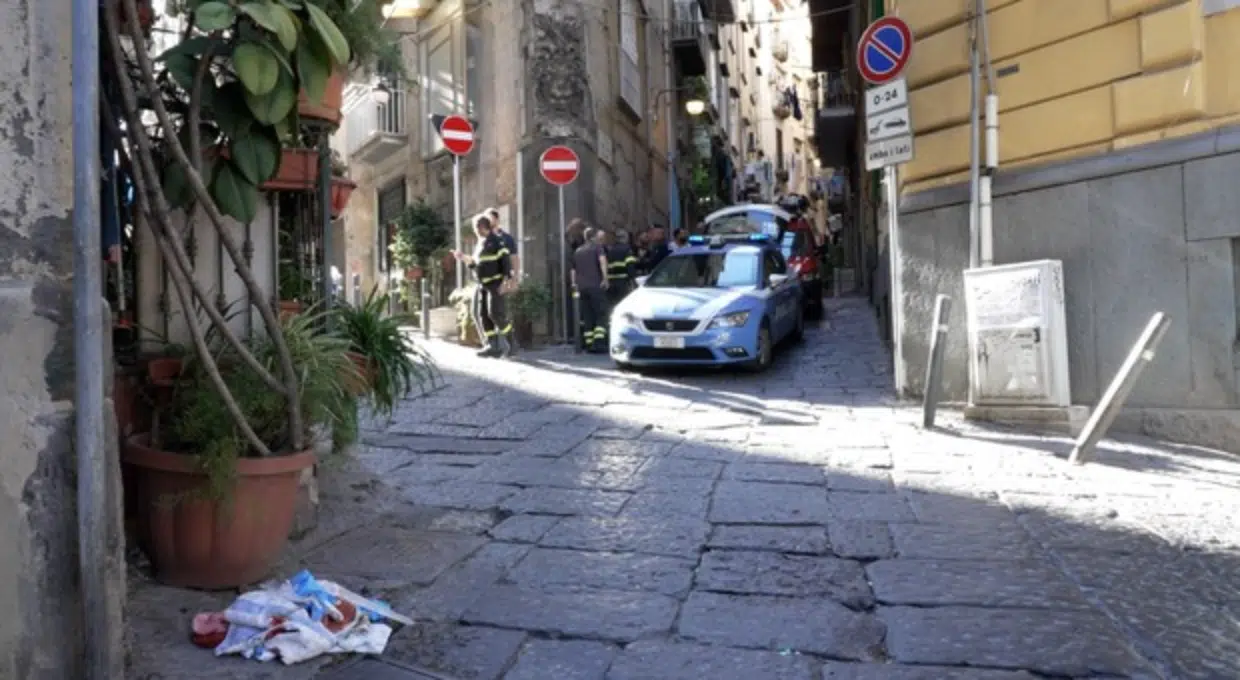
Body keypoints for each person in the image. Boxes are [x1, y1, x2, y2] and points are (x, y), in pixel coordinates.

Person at [454, 215, 513, 358]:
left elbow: (506, 263)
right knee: (483, 315)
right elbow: (476, 265)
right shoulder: (480, 244)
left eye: (476, 228)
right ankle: (492, 346)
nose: (475, 231)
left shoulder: (497, 242)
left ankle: (512, 342)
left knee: (495, 314)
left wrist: (506, 281)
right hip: (483, 285)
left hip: (495, 284)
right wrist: (463, 258)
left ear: (481, 227)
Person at [571, 226, 609, 352]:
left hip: (582, 287)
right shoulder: (598, 248)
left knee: (587, 316)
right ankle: (599, 343)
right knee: (601, 313)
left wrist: (574, 283)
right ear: (594, 237)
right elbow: (602, 261)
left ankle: (588, 343)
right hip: (595, 285)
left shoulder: (578, 251)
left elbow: (573, 270)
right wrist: (605, 278)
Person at [488, 207, 519, 293]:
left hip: (503, 283)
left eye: (490, 219)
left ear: (497, 220)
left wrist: (515, 279)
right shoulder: (483, 239)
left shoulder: (507, 239)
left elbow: (514, 258)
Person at [604, 228, 637, 304]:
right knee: (624, 304)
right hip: (623, 282)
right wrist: (633, 280)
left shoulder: (610, 250)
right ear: (625, 238)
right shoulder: (627, 249)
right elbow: (630, 266)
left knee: (613, 305)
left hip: (611, 282)